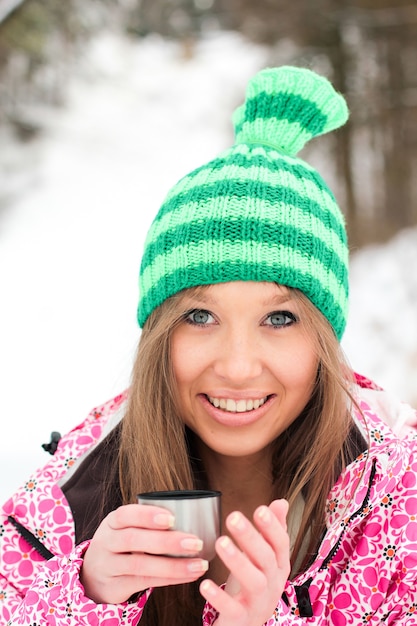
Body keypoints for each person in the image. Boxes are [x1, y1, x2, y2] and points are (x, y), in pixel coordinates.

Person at [1, 65, 417, 626]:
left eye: (279, 318)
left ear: (323, 338)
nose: (239, 367)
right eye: (200, 315)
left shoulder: (400, 501)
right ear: (158, 335)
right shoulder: (67, 498)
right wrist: (84, 596)